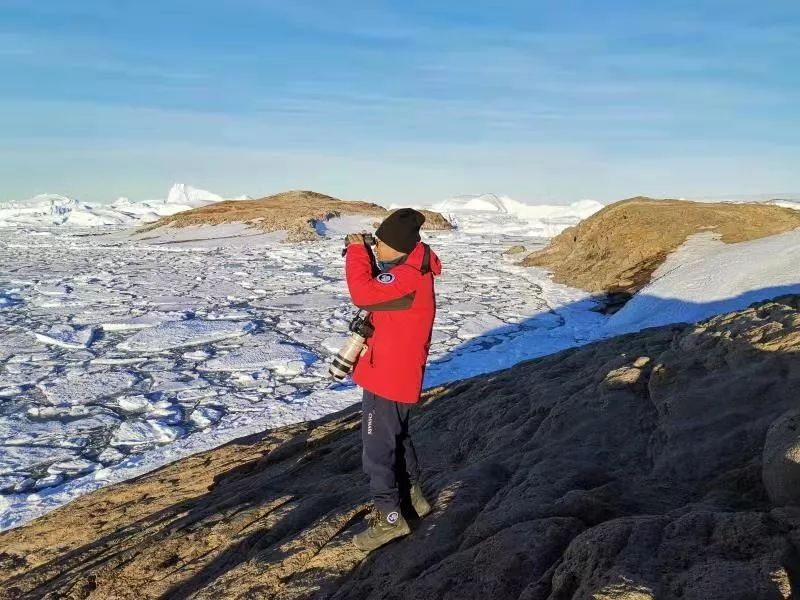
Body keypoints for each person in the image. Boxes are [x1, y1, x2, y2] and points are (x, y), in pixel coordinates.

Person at [343, 208, 442, 552]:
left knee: (377, 450)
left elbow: (364, 293)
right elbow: (381, 290)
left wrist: (357, 251)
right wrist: (369, 254)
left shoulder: (409, 275)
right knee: (396, 439)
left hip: (387, 377)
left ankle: (389, 519)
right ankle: (414, 500)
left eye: (380, 242)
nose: (376, 247)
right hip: (397, 374)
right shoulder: (412, 268)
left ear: (396, 246)